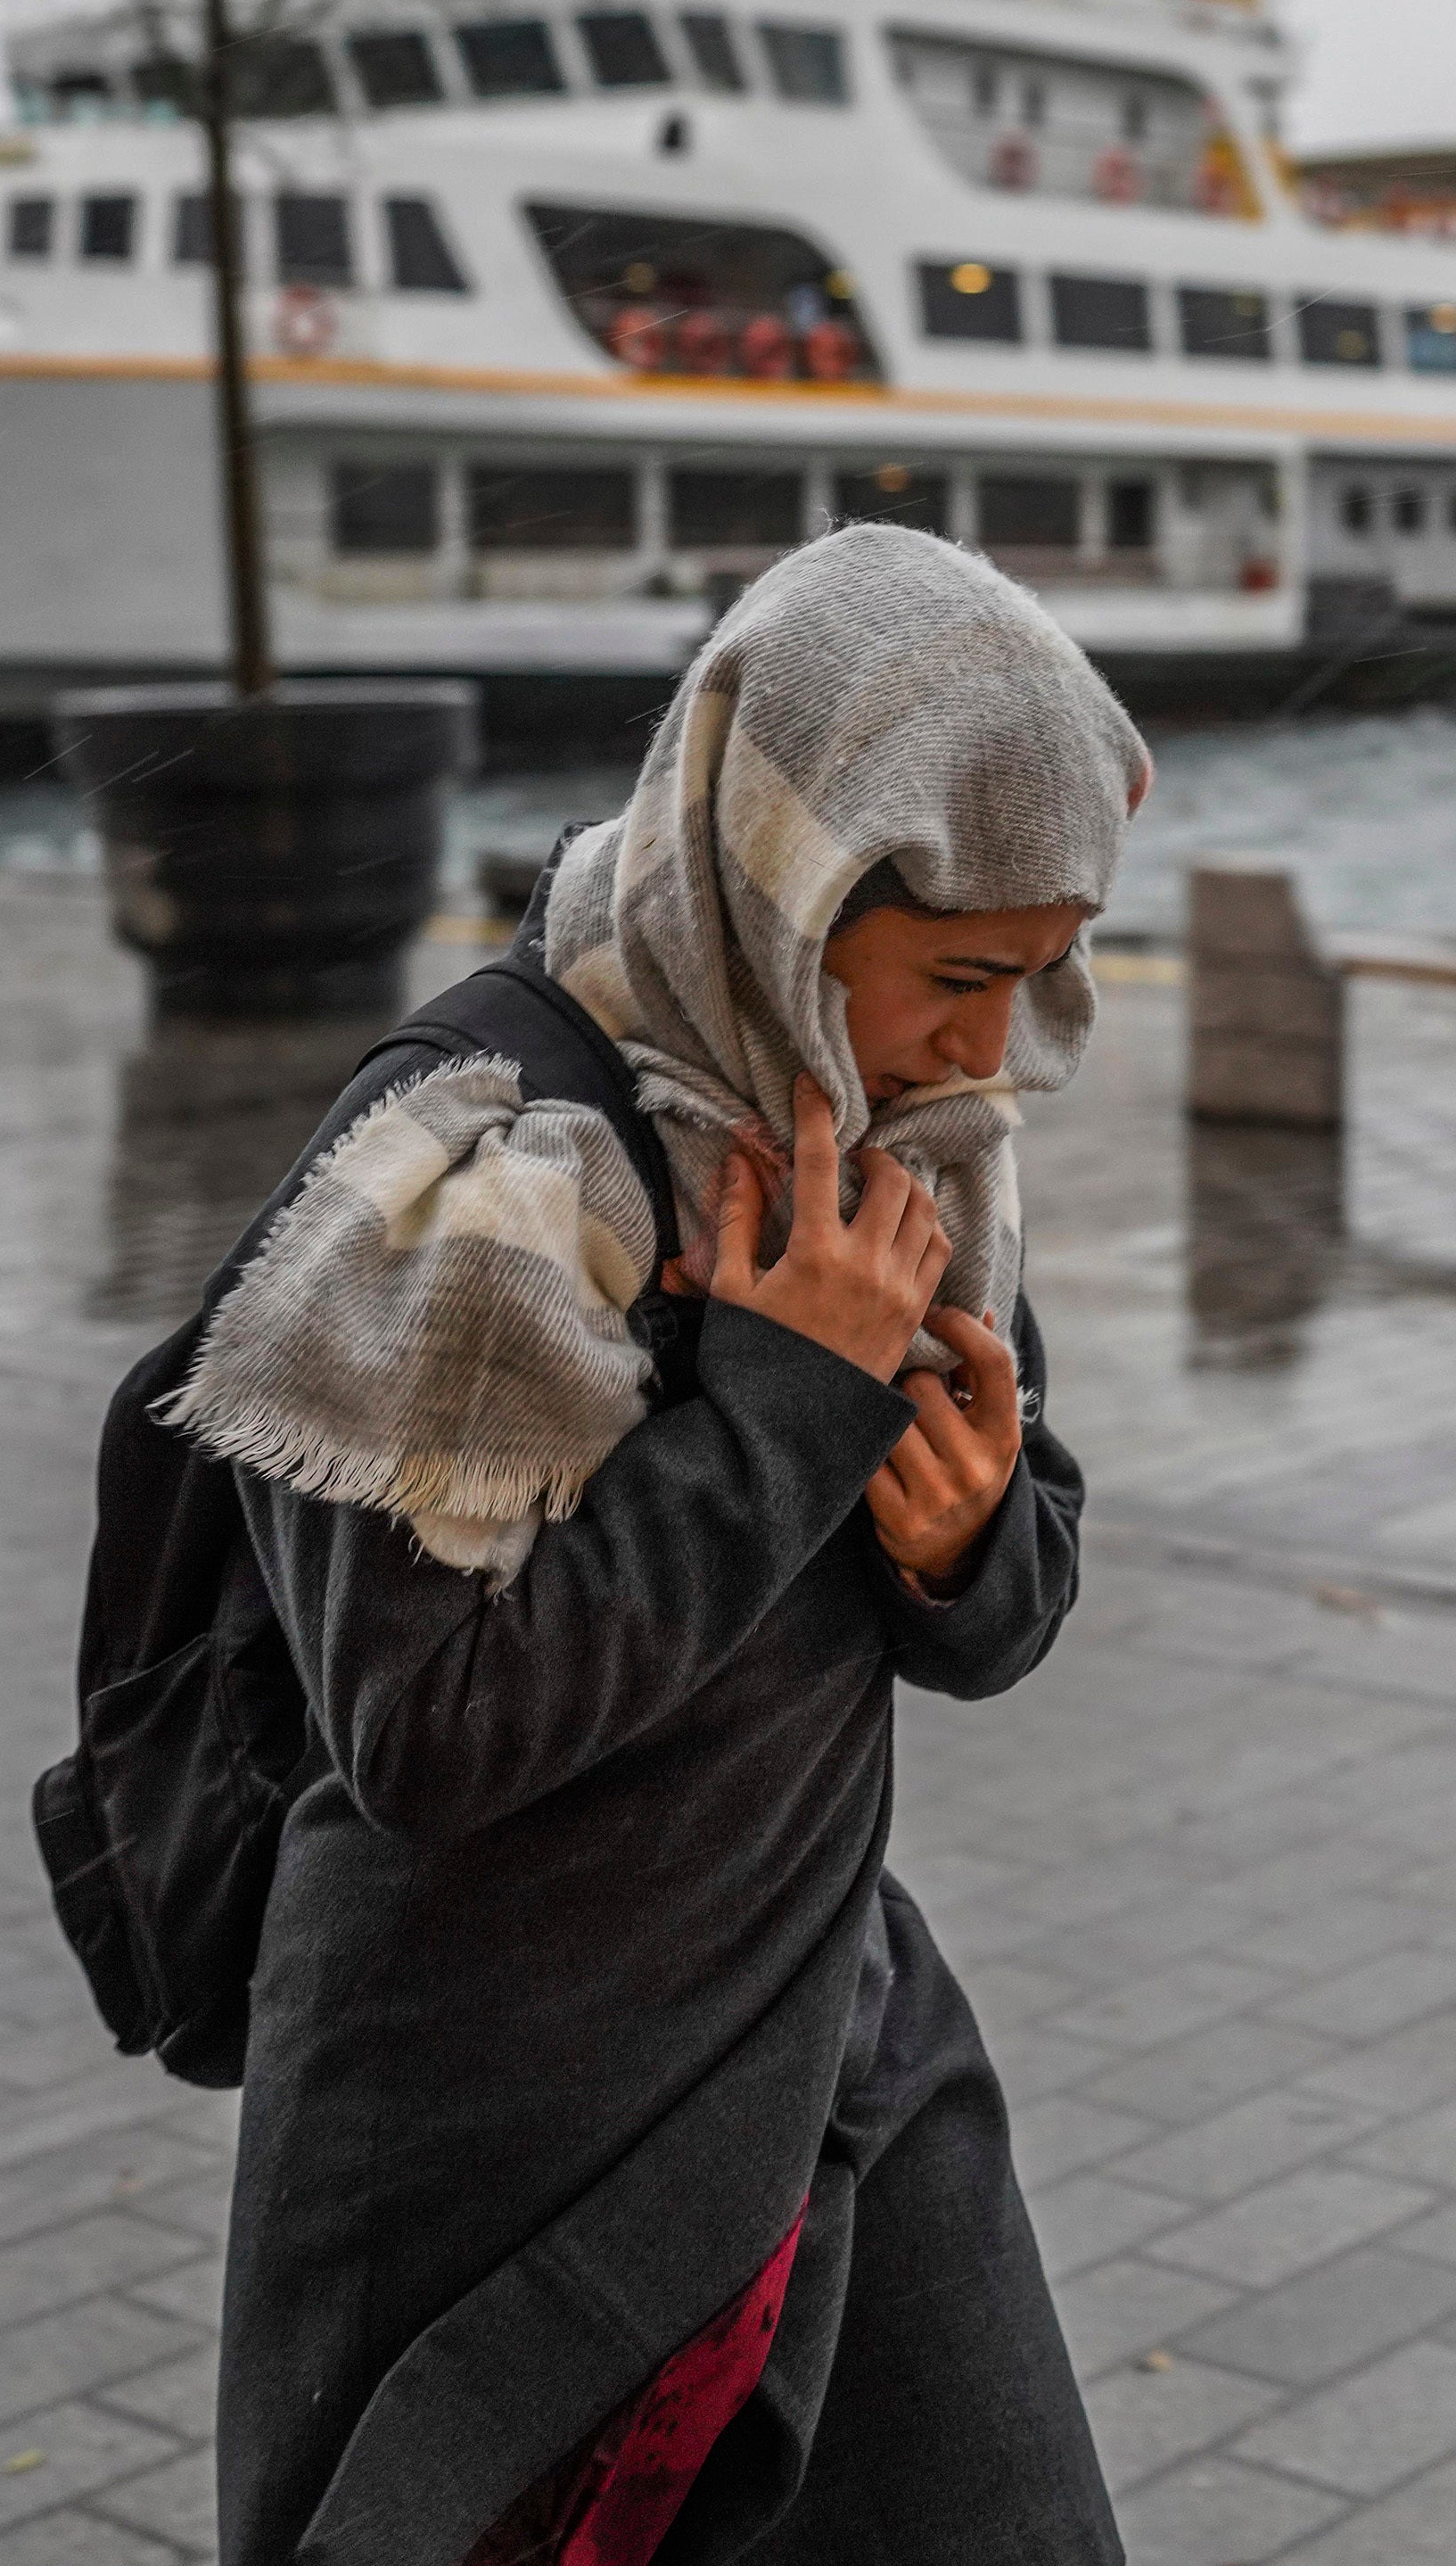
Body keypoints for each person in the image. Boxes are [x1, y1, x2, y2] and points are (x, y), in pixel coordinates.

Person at [138, 524, 1142, 2564]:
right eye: (960, 975)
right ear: (788, 886)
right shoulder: (478, 1156)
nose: (992, 1048)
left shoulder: (897, 1135)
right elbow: (428, 1728)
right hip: (507, 2112)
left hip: (826, 2021)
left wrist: (970, 1548)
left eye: (1042, 974)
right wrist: (782, 1397)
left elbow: (1000, 1580)